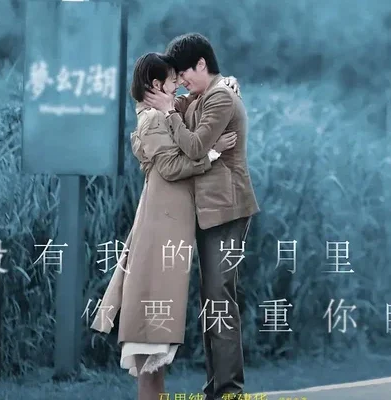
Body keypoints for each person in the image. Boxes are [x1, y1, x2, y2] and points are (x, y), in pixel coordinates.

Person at [90, 52, 241, 400]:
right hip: (160, 231)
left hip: (166, 228)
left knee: (156, 348)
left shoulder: (161, 115)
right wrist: (213, 153)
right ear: (157, 85)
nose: (179, 86)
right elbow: (172, 168)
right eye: (174, 81)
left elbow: (191, 109)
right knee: (151, 345)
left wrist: (223, 86)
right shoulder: (154, 121)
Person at [143, 33, 260, 400]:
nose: (181, 82)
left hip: (226, 210)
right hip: (209, 212)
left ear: (202, 64)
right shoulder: (201, 97)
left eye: (184, 73)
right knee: (211, 300)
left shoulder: (220, 98)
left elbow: (194, 147)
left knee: (219, 298)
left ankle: (229, 390)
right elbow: (175, 116)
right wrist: (168, 104)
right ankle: (216, 386)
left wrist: (170, 113)